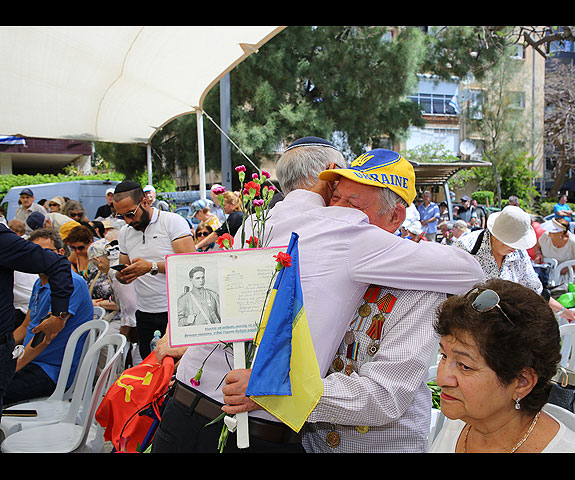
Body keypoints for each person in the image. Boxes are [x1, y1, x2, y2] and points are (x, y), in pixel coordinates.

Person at [151, 140, 483, 453]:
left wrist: (279, 390)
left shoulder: (415, 282)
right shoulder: (314, 229)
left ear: (396, 216)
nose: (336, 210)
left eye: (352, 205)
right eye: (334, 197)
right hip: (250, 428)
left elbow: (386, 394)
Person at [429, 278, 575, 453]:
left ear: (522, 382)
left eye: (465, 366)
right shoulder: (461, 423)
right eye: (444, 356)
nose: (441, 379)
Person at [5, 229, 92, 406]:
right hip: (32, 361)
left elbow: (45, 337)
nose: (40, 258)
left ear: (61, 253)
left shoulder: (71, 282)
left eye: (46, 252)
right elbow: (25, 327)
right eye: (34, 253)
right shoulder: (40, 282)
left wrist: (11, 368)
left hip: (51, 371)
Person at [452, 205, 575, 323]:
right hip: (468, 321)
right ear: (495, 235)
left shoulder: (519, 252)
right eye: (511, 242)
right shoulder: (466, 248)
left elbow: (534, 289)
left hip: (503, 322)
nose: (515, 248)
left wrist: (563, 311)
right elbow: (450, 293)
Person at [113, 180, 195, 359]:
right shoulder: (125, 232)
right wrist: (123, 275)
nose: (128, 221)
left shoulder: (171, 222)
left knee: (175, 367)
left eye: (130, 214)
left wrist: (152, 267)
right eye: (121, 216)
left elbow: (191, 263)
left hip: (177, 311)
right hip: (144, 312)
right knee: (149, 367)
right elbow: (125, 268)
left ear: (145, 202)